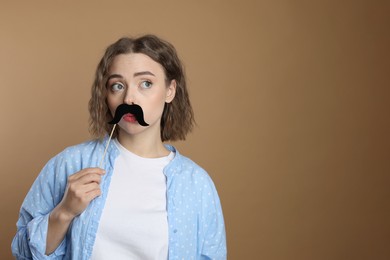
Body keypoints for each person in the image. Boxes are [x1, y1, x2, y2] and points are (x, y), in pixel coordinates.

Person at [12, 34, 226, 259]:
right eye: (117, 85)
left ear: (170, 90)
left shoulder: (197, 184)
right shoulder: (70, 164)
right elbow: (22, 252)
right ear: (106, 95)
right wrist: (64, 212)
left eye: (146, 83)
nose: (129, 99)